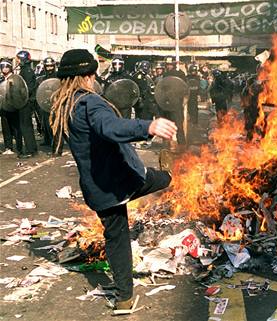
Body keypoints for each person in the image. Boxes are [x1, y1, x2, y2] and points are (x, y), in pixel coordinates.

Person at [49, 49, 177, 312]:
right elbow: (110, 127)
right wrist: (147, 127)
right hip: (123, 181)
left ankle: (123, 299)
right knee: (154, 178)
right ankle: (172, 177)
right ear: (88, 75)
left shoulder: (66, 104)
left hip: (97, 188)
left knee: (116, 237)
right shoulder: (90, 102)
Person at [16, 50, 38, 158]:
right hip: (25, 101)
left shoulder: (27, 71)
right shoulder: (25, 70)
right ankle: (32, 148)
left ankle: (31, 150)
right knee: (25, 125)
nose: (18, 62)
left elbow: (28, 88)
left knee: (26, 126)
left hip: (26, 102)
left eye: (19, 60)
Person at [162, 57, 187, 146]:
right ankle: (167, 144)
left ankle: (182, 144)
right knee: (168, 124)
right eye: (167, 65)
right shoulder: (166, 75)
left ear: (173, 64)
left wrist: (183, 100)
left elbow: (185, 88)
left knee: (179, 125)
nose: (168, 66)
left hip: (176, 102)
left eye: (170, 64)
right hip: (168, 103)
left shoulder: (180, 74)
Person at [0, 58, 23, 155]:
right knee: (6, 128)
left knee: (16, 128)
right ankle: (8, 147)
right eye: (2, 67)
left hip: (13, 106)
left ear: (10, 67)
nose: (4, 69)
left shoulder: (15, 78)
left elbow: (20, 92)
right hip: (3, 106)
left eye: (6, 67)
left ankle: (19, 148)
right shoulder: (1, 80)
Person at [36, 57, 57, 148]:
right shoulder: (42, 78)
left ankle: (55, 141)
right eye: (47, 66)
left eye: (51, 66)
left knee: (54, 123)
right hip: (45, 102)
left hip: (55, 102)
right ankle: (47, 139)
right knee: (45, 122)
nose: (49, 68)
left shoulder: (57, 77)